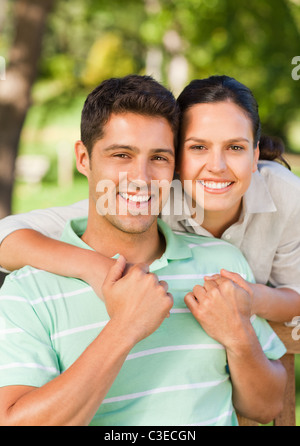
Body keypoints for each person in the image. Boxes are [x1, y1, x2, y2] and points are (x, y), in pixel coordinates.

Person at [0, 75, 287, 426]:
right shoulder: (28, 292)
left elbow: (266, 408)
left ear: (175, 167)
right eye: (121, 155)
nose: (141, 176)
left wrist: (240, 338)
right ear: (83, 158)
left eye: (159, 158)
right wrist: (124, 329)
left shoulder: (223, 263)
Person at [1, 76, 299, 323]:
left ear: (255, 155)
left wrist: (250, 297)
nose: (217, 166)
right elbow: (7, 237)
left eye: (235, 147)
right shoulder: (151, 196)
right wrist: (95, 268)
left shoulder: (283, 193)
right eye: (198, 147)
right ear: (176, 157)